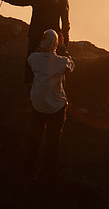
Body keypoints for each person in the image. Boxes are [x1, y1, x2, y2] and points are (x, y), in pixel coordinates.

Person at [0, 0, 70, 83]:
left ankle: (55, 89)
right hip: (36, 35)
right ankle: (31, 87)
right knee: (31, 64)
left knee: (54, 66)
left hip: (53, 37)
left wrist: (65, 42)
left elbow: (65, 23)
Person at [24, 29, 74, 181]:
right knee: (53, 140)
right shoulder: (61, 62)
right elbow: (72, 66)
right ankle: (48, 174)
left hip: (37, 104)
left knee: (35, 138)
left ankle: (29, 170)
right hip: (56, 106)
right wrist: (63, 47)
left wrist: (42, 45)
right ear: (56, 43)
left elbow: (34, 55)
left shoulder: (33, 59)